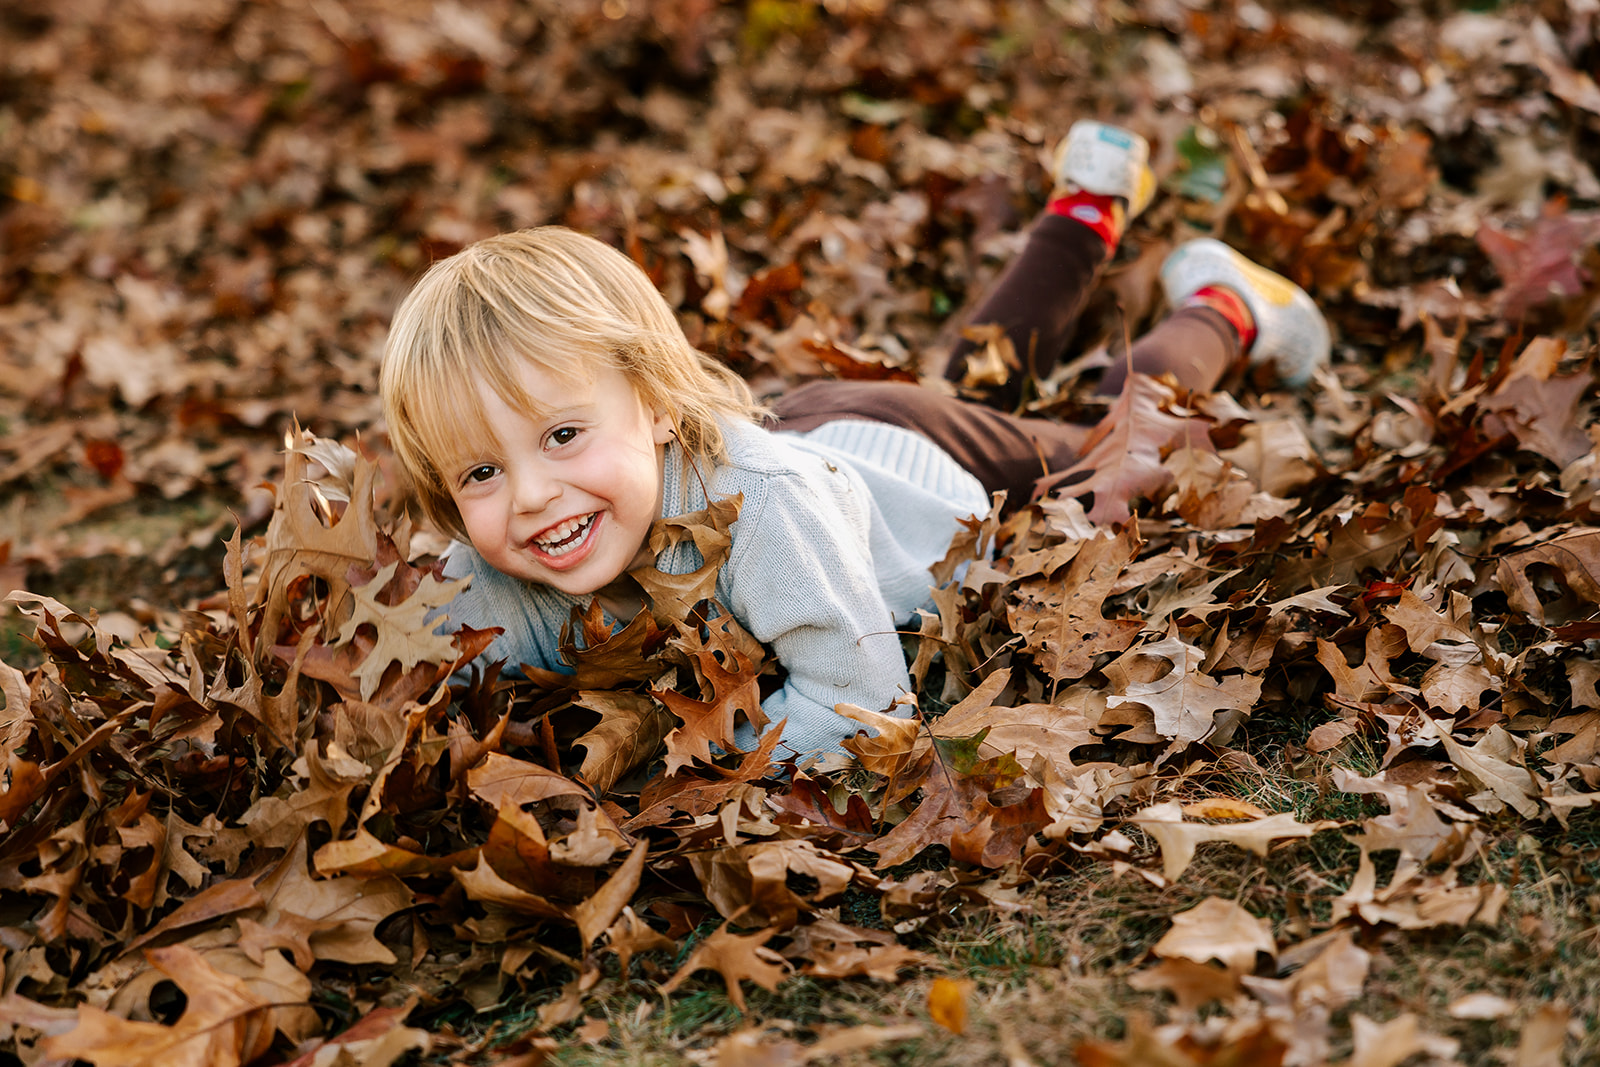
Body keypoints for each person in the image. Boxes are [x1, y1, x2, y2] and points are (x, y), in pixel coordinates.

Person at [378, 121, 1330, 758]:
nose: (534, 493)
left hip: (920, 473)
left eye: (564, 434)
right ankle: (1085, 213)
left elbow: (860, 700)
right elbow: (417, 668)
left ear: (656, 404)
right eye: (483, 468)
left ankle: (1228, 306)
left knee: (1103, 446)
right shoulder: (513, 548)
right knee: (973, 372)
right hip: (813, 429)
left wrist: (692, 765)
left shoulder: (767, 515)